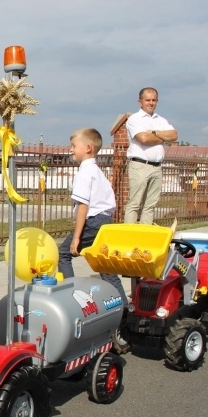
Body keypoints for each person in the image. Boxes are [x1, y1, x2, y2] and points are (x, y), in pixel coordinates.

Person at [59, 128, 128, 306]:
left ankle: (71, 296)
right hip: (105, 222)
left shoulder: (84, 173)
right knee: (106, 268)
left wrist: (76, 237)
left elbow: (83, 206)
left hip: (92, 222)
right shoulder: (97, 172)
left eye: (74, 146)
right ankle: (124, 308)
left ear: (88, 148)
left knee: (63, 254)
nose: (71, 149)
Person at [124, 87, 177, 224]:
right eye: (147, 100)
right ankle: (130, 237)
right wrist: (162, 136)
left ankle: (144, 236)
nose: (151, 103)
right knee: (134, 204)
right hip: (140, 165)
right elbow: (143, 139)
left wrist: (153, 132)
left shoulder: (161, 120)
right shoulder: (135, 119)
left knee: (150, 206)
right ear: (140, 101)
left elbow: (174, 135)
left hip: (157, 167)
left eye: (154, 100)